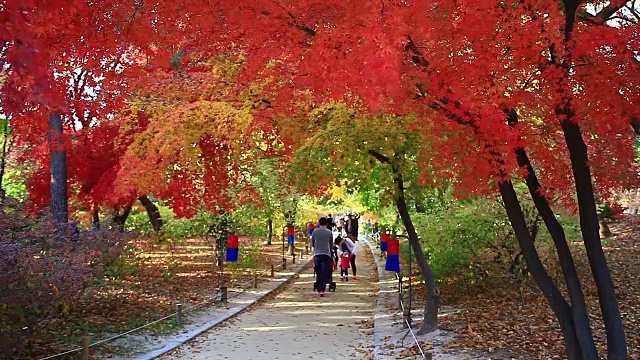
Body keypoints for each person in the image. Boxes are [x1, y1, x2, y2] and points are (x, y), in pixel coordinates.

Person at [311, 217, 333, 297]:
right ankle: (322, 290)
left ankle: (319, 287)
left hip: (317, 254)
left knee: (318, 271)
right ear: (326, 223)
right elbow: (331, 244)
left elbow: (312, 243)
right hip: (326, 254)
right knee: (324, 272)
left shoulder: (315, 231)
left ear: (319, 223)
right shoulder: (329, 232)